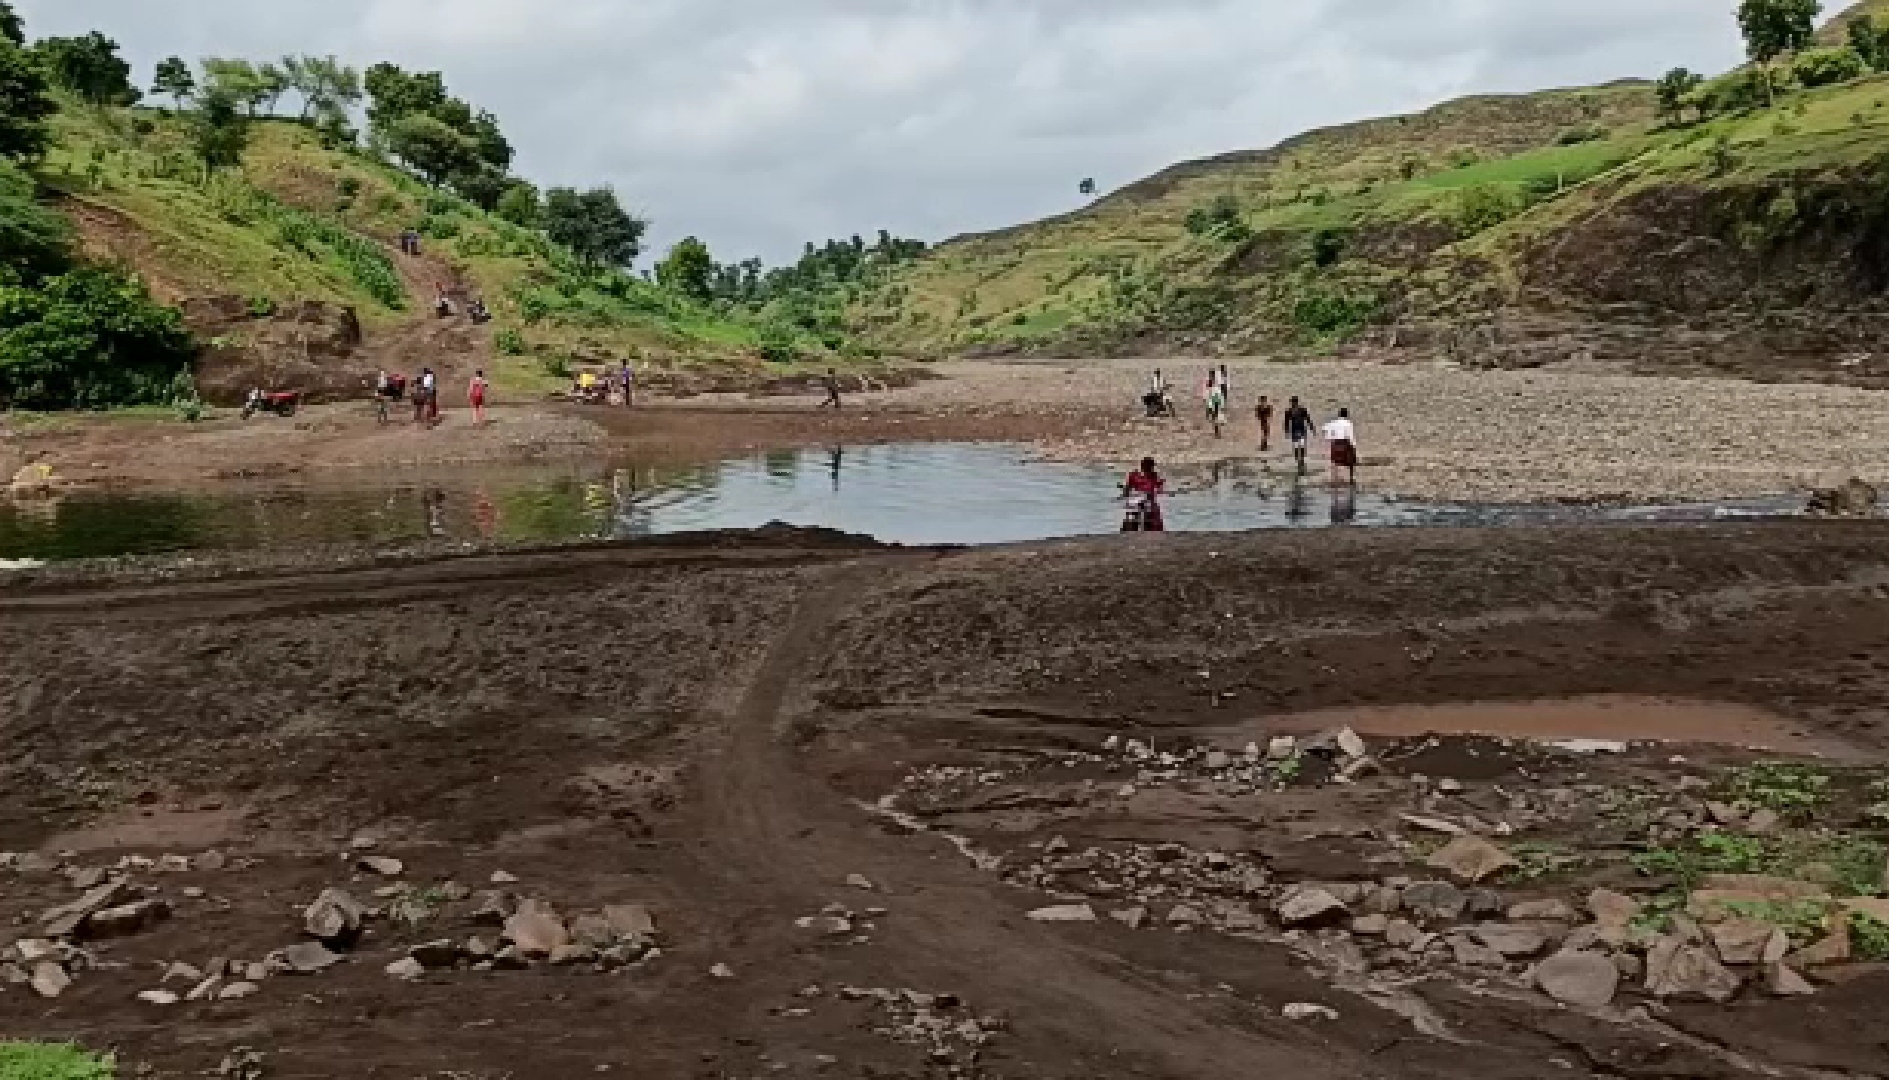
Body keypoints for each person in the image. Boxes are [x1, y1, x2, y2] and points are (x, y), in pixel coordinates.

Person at [1121, 457, 1167, 533]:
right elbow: (1127, 489)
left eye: (1151, 467)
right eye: (1148, 467)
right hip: (1136, 501)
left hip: (1149, 502)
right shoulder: (1134, 475)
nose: (1150, 469)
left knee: (1154, 518)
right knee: (1130, 517)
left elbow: (1160, 488)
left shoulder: (1155, 477)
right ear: (1142, 466)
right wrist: (1125, 496)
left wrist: (1159, 490)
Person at [1324, 407, 1358, 486]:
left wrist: (1329, 437)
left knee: (1335, 461)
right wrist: (1353, 445)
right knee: (1351, 461)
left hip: (1335, 443)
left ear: (1339, 415)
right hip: (1344, 442)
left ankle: (1335, 478)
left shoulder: (1333, 423)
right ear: (1346, 415)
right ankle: (1351, 477)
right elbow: (1350, 436)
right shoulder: (1348, 423)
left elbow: (1324, 428)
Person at [1283, 396, 1315, 473]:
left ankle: (1302, 460)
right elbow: (1286, 422)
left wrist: (1312, 428)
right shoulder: (1288, 411)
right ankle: (1298, 461)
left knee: (1302, 445)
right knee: (1297, 446)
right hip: (1294, 431)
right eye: (1292, 403)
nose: (1292, 404)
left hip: (1302, 430)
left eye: (1293, 402)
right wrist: (1287, 432)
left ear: (1296, 402)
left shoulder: (1302, 410)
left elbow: (1308, 419)